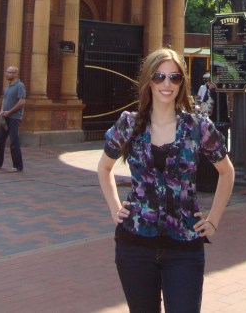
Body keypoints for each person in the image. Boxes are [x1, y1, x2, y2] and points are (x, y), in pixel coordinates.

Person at [97, 49, 235, 313]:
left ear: (182, 82)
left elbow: (227, 172)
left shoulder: (197, 126)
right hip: (135, 244)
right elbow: (104, 168)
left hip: (184, 247)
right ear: (149, 80)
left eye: (174, 77)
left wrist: (214, 220)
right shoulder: (129, 124)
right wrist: (115, 208)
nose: (167, 84)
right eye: (159, 76)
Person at [0, 66, 26, 172]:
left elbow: (21, 102)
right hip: (5, 117)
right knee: (0, 139)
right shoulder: (7, 86)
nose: (7, 74)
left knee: (14, 141)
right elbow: (4, 99)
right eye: (7, 72)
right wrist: (2, 110)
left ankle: (18, 166)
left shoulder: (20, 86)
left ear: (15, 74)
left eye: (10, 72)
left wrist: (10, 112)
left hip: (14, 118)